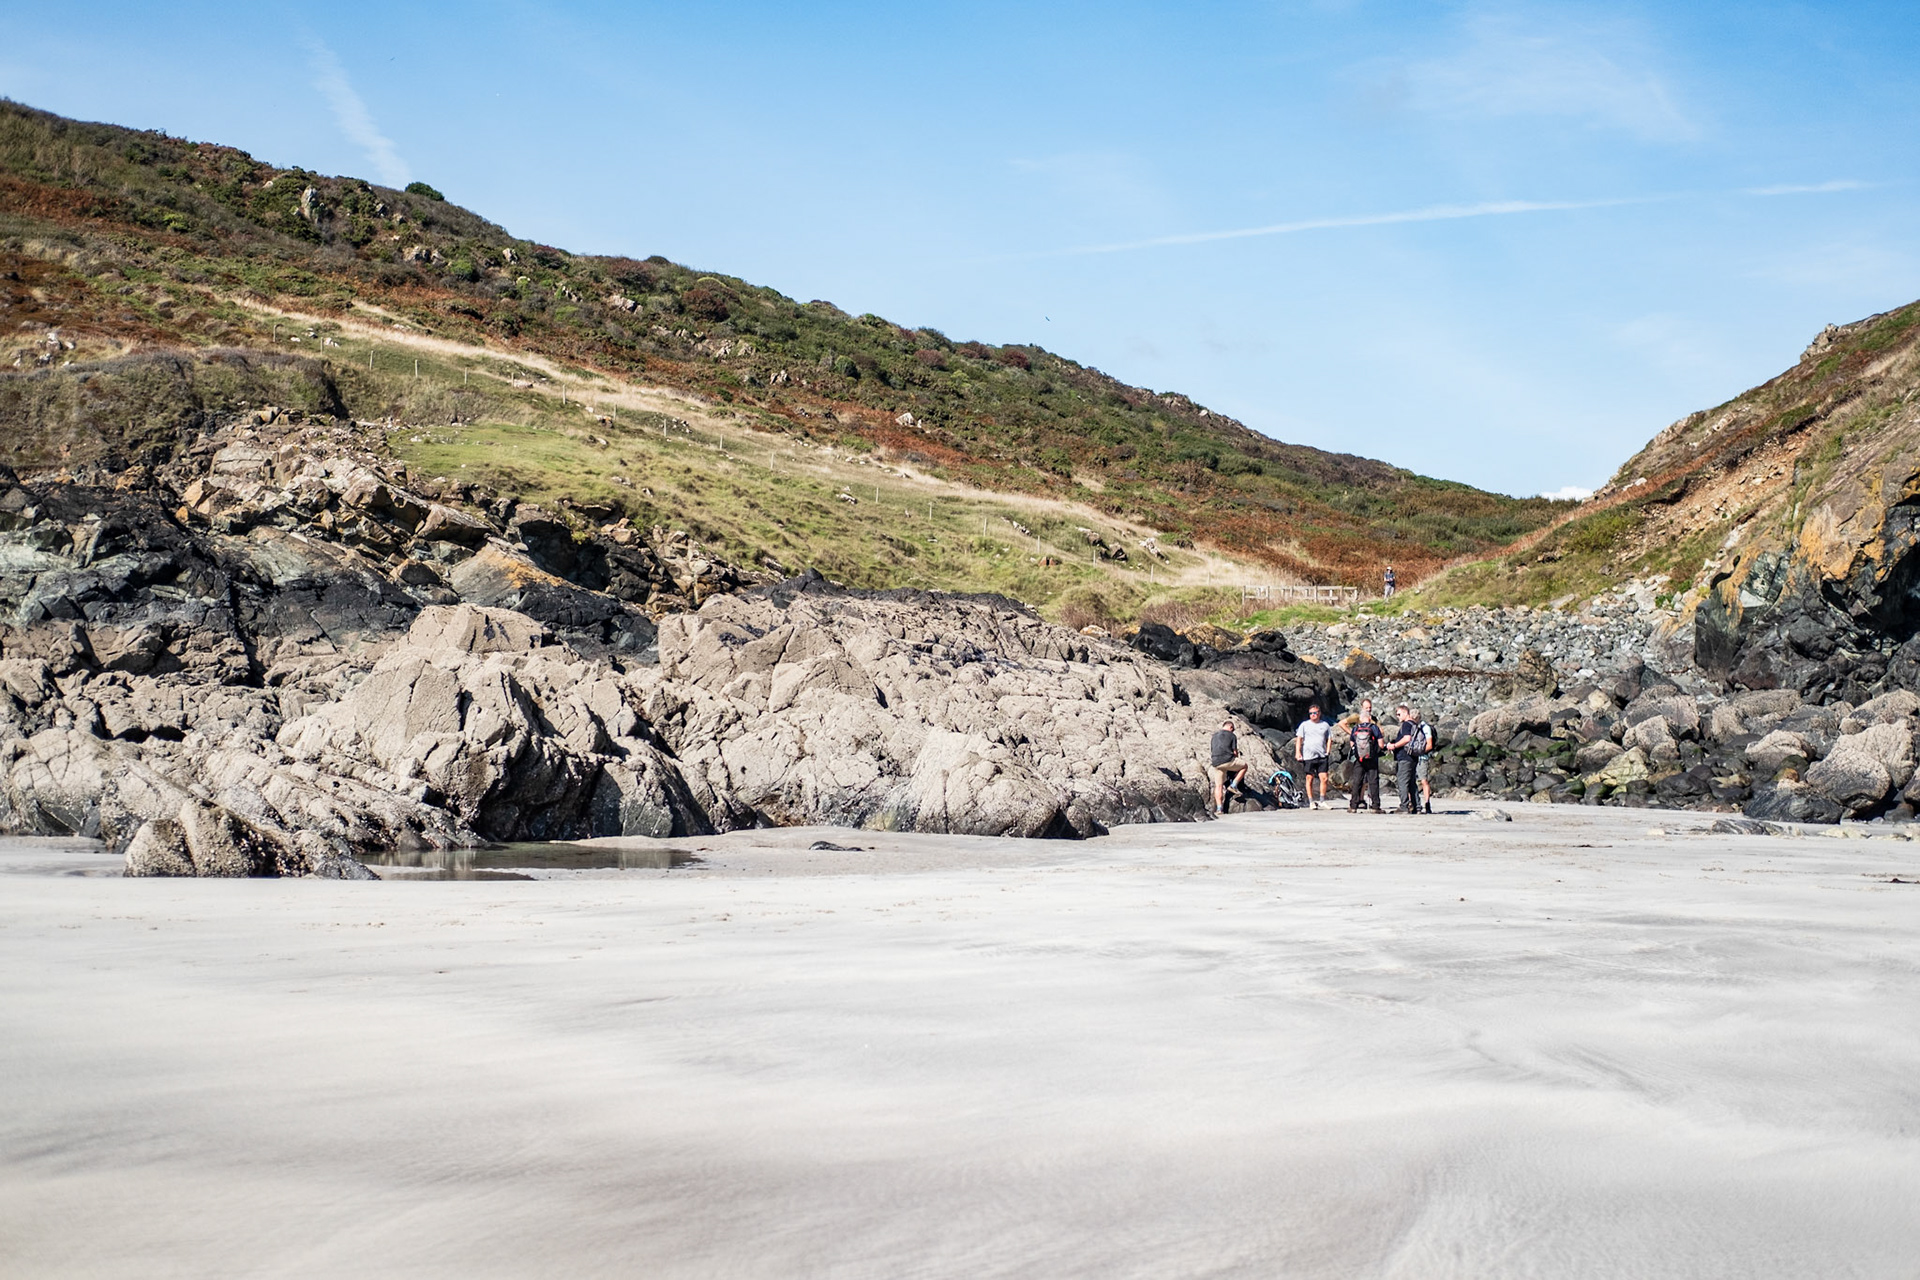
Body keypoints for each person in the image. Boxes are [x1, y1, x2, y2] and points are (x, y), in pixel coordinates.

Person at [1294, 704, 1333, 809]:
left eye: (1315, 713)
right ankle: (1311, 801)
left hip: (1322, 755)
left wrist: (1328, 750)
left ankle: (1322, 801)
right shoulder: (1304, 725)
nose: (1313, 715)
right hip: (1308, 756)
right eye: (1311, 713)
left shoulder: (1325, 725)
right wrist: (1298, 752)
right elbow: (1299, 739)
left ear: (1319, 713)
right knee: (1309, 778)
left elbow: (1329, 738)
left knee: (1324, 778)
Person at [1346, 710, 1384, 813]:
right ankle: (1375, 806)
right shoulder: (1374, 728)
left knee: (1357, 781)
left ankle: (1353, 806)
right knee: (1373, 781)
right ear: (1369, 718)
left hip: (1359, 759)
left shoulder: (1356, 728)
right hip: (1372, 758)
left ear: (1360, 719)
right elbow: (1381, 744)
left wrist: (1358, 751)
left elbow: (1352, 743)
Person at [1386, 703, 1420, 814]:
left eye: (1399, 714)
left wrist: (1394, 746)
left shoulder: (1406, 724)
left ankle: (1404, 806)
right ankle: (1417, 806)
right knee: (1411, 782)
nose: (1397, 716)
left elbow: (1407, 738)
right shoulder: (1415, 724)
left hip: (1405, 757)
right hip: (1414, 756)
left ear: (1405, 713)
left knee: (1402, 781)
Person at [1210, 718, 1248, 815]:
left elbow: (1213, 750)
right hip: (1227, 760)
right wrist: (1236, 759)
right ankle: (1233, 785)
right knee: (1244, 766)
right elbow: (1234, 752)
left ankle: (1219, 809)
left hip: (1215, 762)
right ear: (1230, 727)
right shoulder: (1232, 735)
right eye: (1233, 729)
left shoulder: (1214, 736)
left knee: (1218, 786)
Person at [1411, 708, 1436, 814]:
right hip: (1414, 757)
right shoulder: (1411, 727)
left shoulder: (1425, 728)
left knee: (1423, 780)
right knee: (1411, 781)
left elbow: (1429, 745)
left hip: (1422, 758)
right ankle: (1413, 803)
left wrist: (1418, 752)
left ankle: (1427, 803)